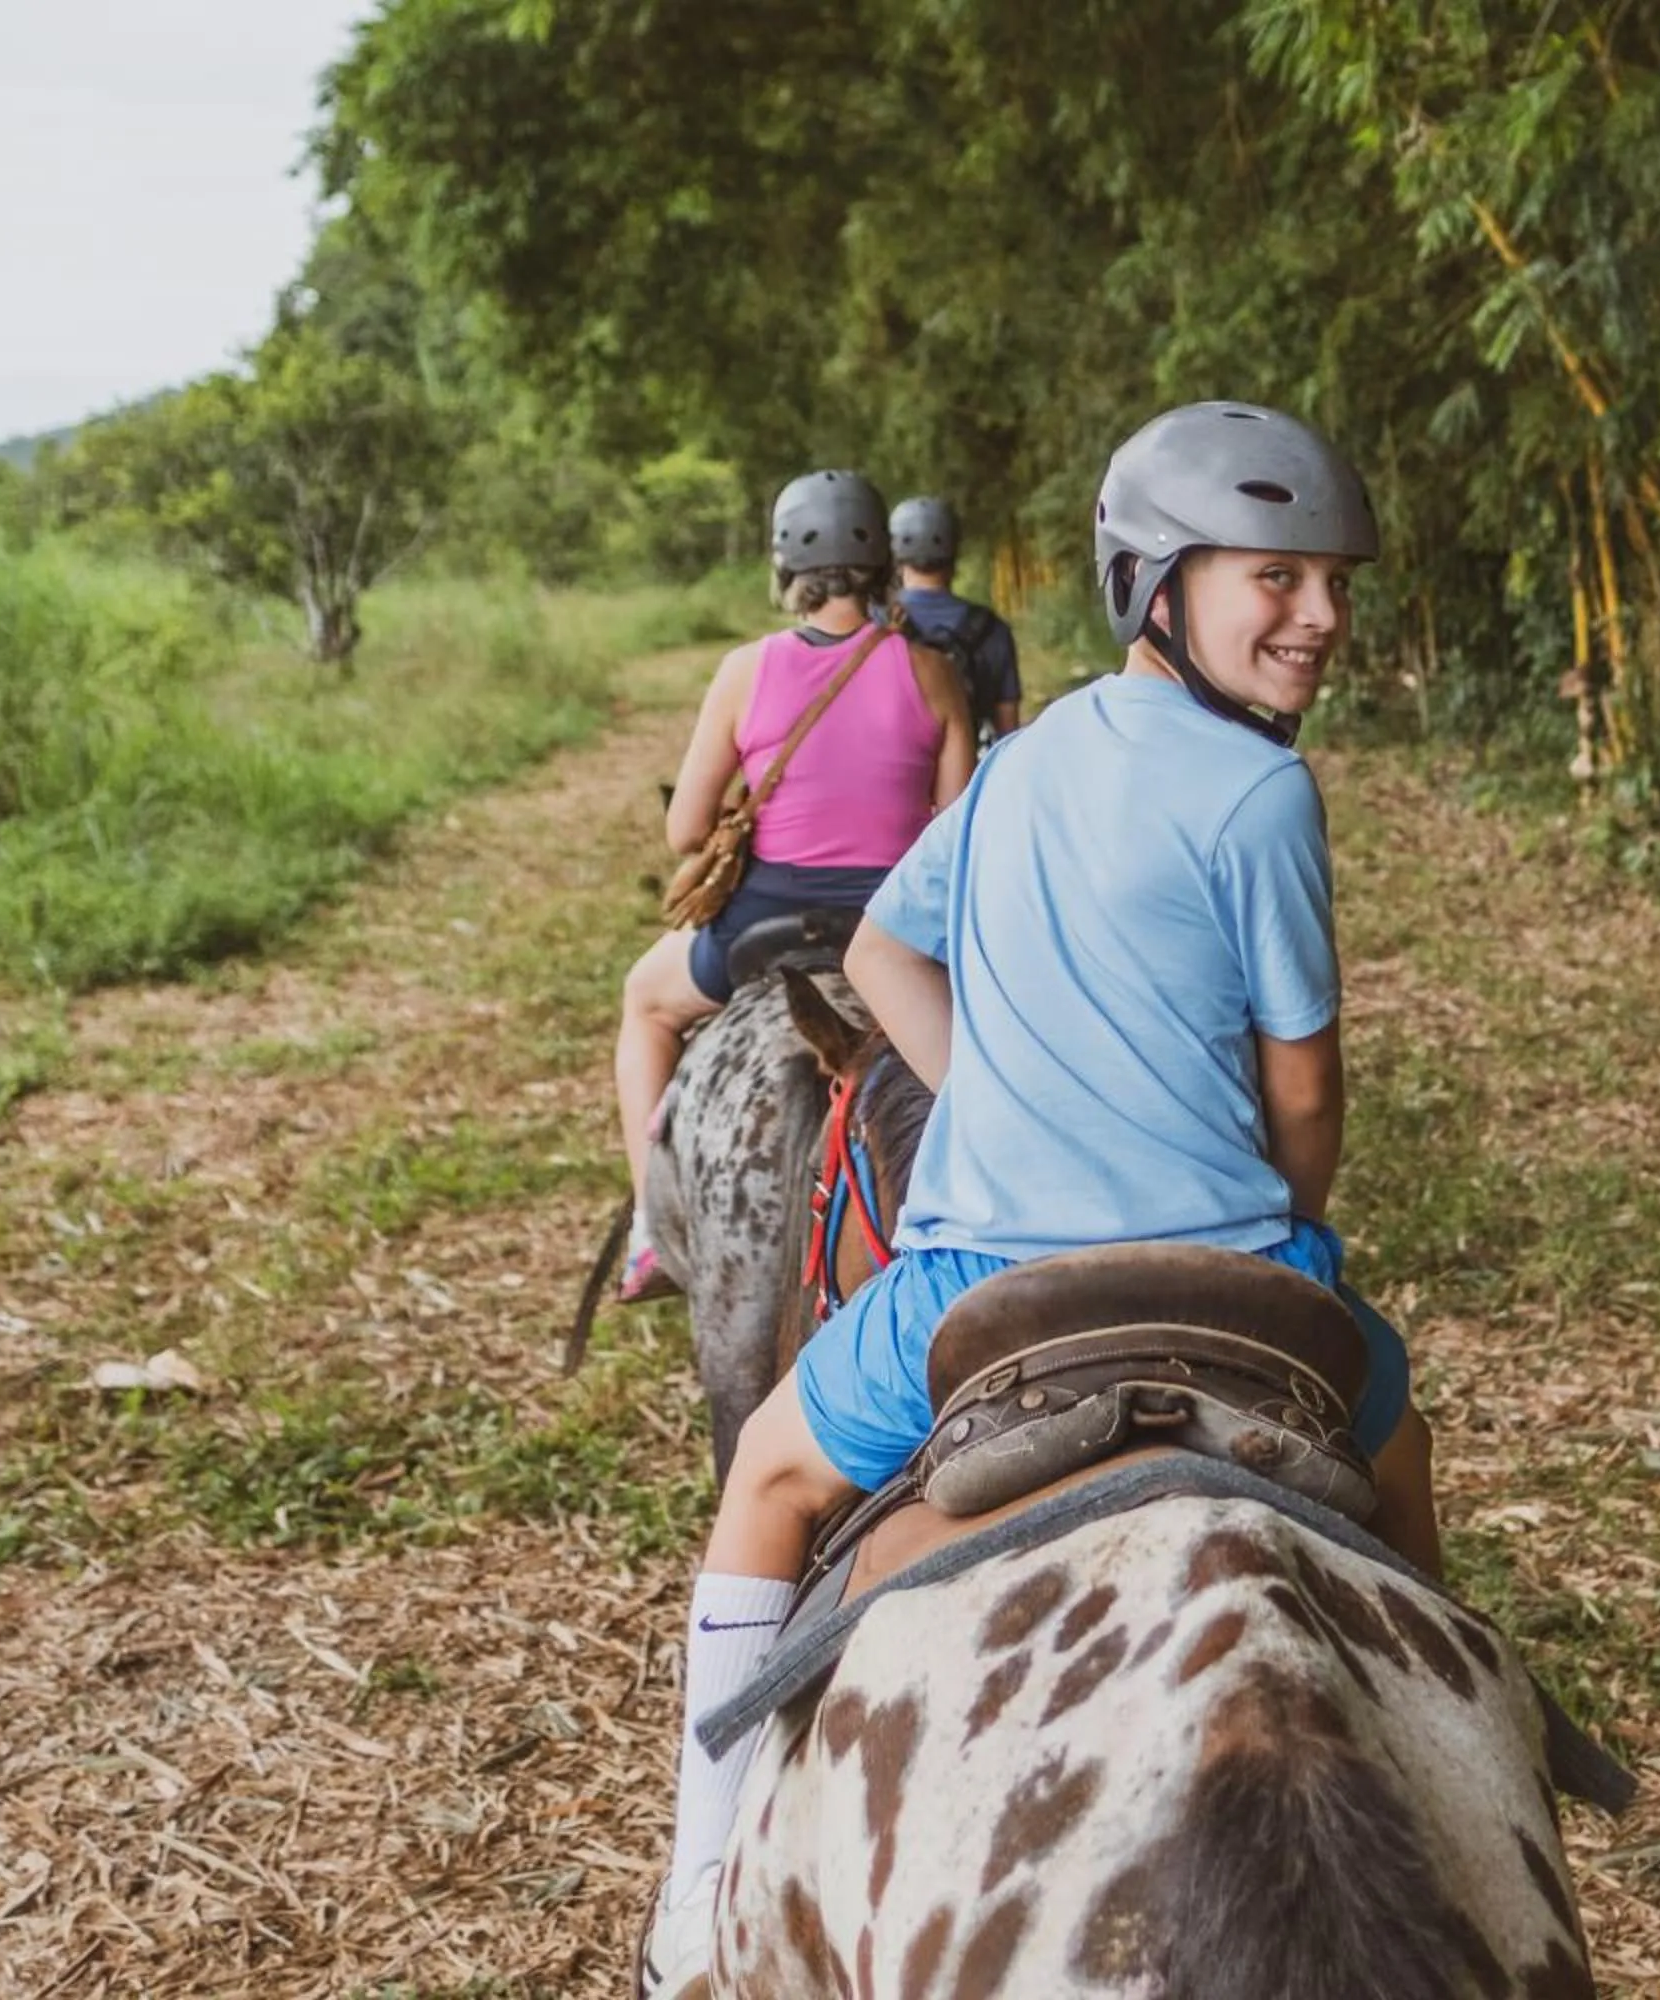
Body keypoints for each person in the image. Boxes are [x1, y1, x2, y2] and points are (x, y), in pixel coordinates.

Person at [639, 404, 1435, 1994]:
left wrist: (988, 1090)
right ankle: (1442, 1743)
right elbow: (1306, 1095)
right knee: (1399, 1434)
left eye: (1332, 580)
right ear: (1162, 584)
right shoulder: (1265, 796)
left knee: (772, 1488)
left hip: (980, 1276)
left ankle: (698, 1888)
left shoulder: (1024, 757)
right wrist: (1286, 1208)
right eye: (1275, 578)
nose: (1322, 615)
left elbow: (876, 954)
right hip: (1231, 1260)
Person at [613, 469, 976, 1303]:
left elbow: (685, 832)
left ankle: (649, 1230)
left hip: (762, 923)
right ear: (884, 562)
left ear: (786, 564)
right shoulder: (933, 672)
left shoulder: (746, 670)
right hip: (891, 934)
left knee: (645, 1003)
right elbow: (954, 838)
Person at [889, 493, 1023, 741]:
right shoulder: (993, 630)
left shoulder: (878, 626)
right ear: (953, 553)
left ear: (895, 555)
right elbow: (1008, 731)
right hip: (970, 772)